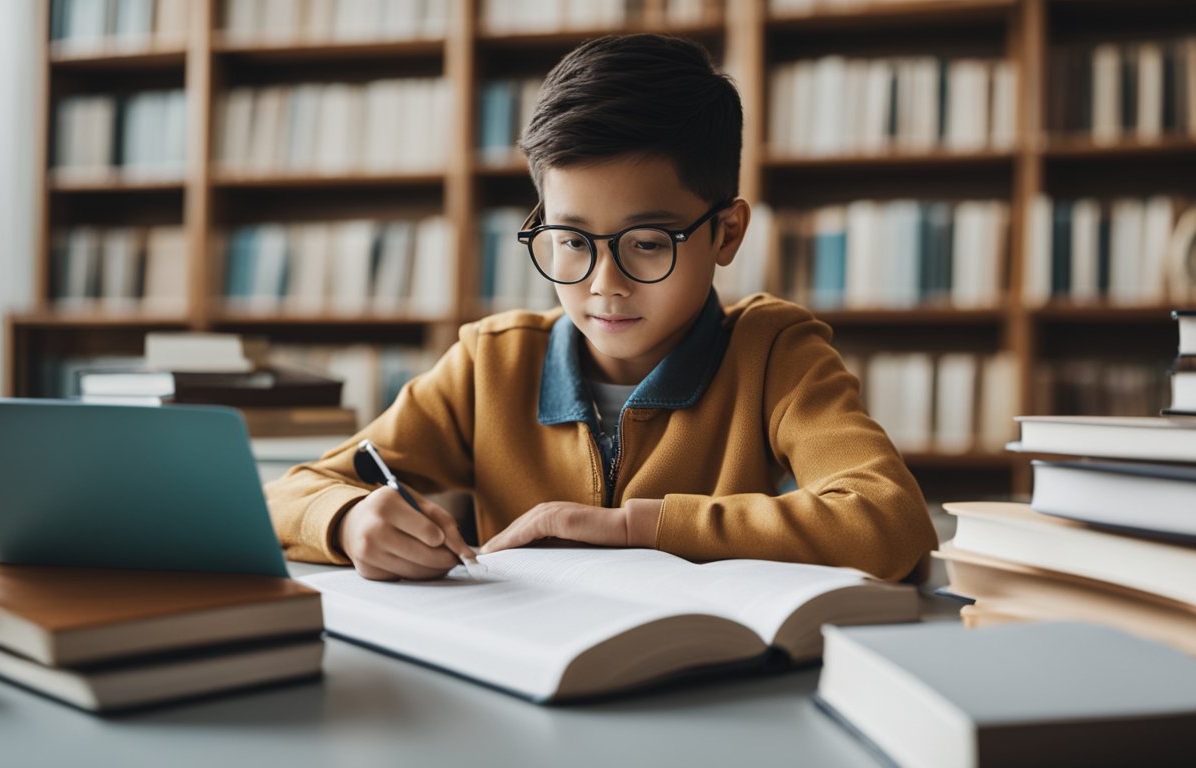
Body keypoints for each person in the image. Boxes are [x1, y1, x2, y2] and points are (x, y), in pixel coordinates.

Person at [265, 33, 937, 582]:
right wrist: (350, 521)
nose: (603, 283)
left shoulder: (775, 354)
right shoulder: (491, 364)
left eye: (647, 243)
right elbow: (286, 495)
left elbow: (891, 521)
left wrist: (635, 528)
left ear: (725, 232)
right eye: (569, 242)